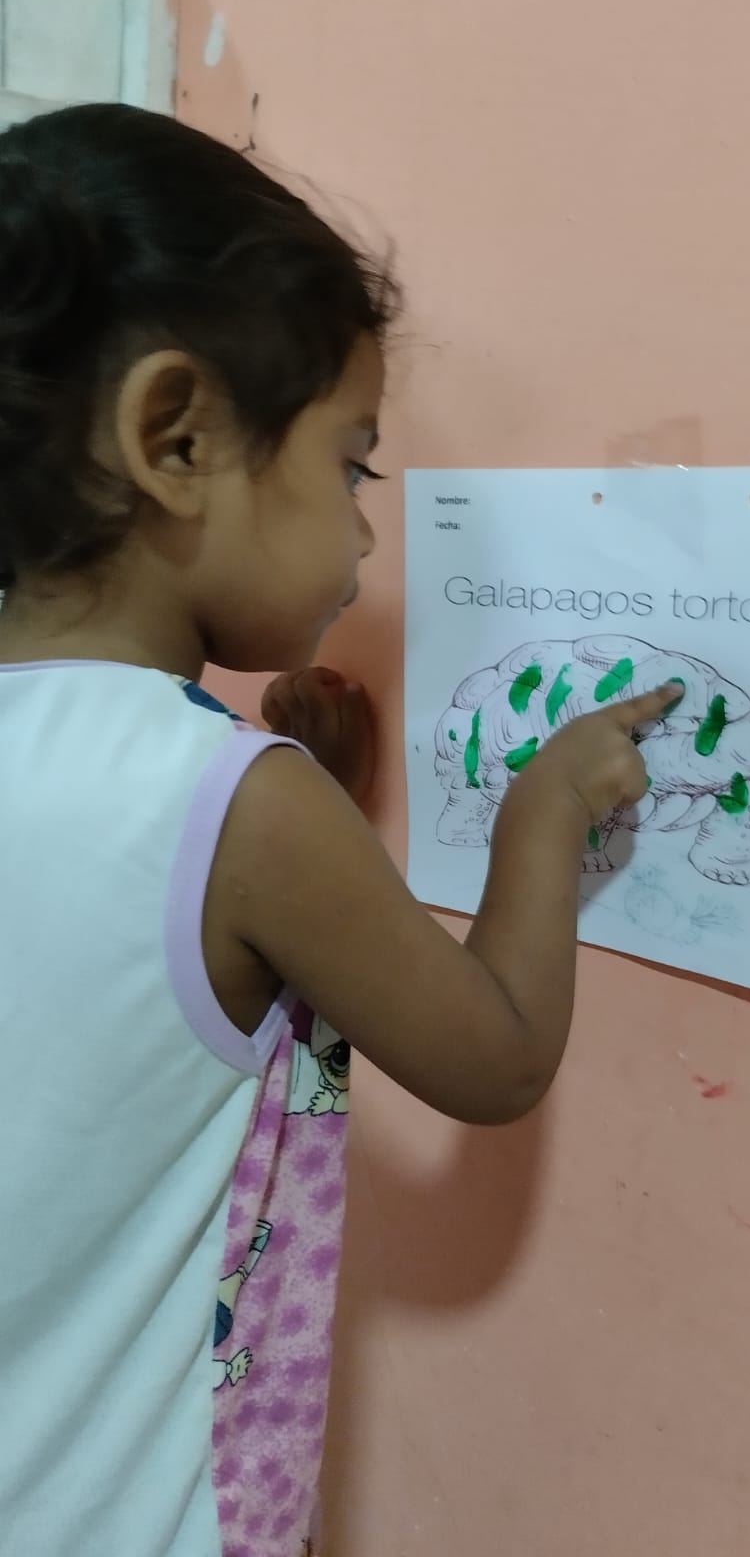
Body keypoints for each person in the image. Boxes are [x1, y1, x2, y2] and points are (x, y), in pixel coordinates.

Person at [0, 103, 675, 1556]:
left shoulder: (194, 795)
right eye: (352, 465)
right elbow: (494, 1055)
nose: (368, 536)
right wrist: (541, 810)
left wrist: (303, 781)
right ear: (176, 438)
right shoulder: (244, 810)